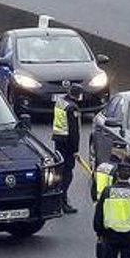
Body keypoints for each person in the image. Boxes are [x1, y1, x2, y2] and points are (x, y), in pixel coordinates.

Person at [51, 86, 83, 214]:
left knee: (59, 171)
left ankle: (56, 199)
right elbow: (74, 132)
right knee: (67, 173)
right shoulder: (72, 108)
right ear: (78, 95)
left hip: (58, 140)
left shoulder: (61, 102)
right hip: (67, 143)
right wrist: (75, 149)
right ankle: (62, 201)